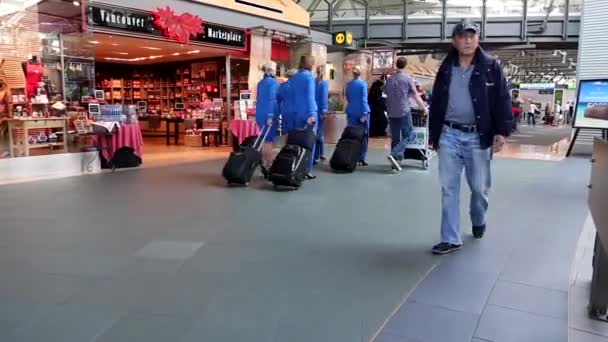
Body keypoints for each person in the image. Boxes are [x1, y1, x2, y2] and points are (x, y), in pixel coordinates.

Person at [428, 20, 512, 254]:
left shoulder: (491, 66)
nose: (467, 40)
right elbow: (436, 103)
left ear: (478, 39)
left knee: (479, 188)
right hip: (449, 134)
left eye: (471, 36)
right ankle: (451, 238)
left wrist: (501, 131)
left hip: (478, 136)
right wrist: (434, 134)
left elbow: (502, 99)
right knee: (448, 188)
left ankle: (478, 219)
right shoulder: (446, 68)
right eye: (462, 36)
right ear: (454, 41)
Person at [385, 57, 428, 171]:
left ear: (396, 64)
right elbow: (415, 95)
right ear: (406, 65)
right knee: (409, 135)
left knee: (395, 137)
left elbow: (386, 94)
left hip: (391, 111)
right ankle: (395, 153)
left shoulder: (389, 79)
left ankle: (396, 161)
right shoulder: (408, 79)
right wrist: (423, 108)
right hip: (403, 110)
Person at [290, 55, 318, 180]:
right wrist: (311, 113)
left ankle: (296, 166)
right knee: (309, 141)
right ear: (310, 65)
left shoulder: (294, 78)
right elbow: (310, 96)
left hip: (296, 113)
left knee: (298, 141)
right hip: (308, 113)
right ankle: (307, 170)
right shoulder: (309, 77)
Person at [255, 62, 280, 174]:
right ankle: (268, 165)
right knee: (269, 140)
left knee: (263, 139)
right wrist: (270, 116)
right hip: (269, 114)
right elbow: (271, 99)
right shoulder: (273, 83)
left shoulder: (260, 83)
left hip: (260, 113)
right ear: (271, 71)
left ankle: (264, 162)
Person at [345, 65, 371, 166]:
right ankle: (361, 157)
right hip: (361, 112)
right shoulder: (363, 84)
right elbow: (364, 99)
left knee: (352, 134)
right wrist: (365, 113)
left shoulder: (349, 84)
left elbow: (348, 97)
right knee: (364, 135)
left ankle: (352, 155)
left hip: (351, 111)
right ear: (361, 72)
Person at [314, 66, 329, 163]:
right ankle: (321, 154)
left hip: (314, 109)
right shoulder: (324, 83)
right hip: (320, 110)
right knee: (320, 132)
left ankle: (318, 154)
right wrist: (324, 110)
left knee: (316, 132)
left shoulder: (314, 82)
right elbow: (324, 98)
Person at [278, 69, 297, 134]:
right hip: (297, 113)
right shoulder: (299, 86)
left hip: (286, 112)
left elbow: (278, 100)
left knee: (285, 133)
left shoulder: (282, 86)